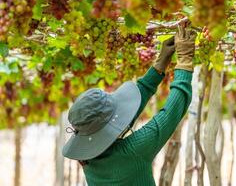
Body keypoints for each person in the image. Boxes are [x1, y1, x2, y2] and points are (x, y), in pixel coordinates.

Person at [62, 26, 196, 186]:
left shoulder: (88, 161)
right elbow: (170, 114)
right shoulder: (132, 152)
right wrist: (185, 60)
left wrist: (161, 63)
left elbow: (127, 113)